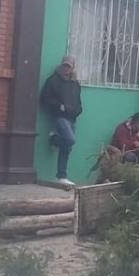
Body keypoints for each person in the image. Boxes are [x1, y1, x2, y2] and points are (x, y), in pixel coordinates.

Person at [41, 56, 82, 186]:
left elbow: (78, 102)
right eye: (64, 65)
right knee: (70, 140)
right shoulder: (53, 80)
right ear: (61, 65)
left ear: (72, 68)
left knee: (67, 147)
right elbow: (44, 98)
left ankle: (62, 176)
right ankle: (54, 139)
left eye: (69, 66)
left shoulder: (75, 84)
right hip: (59, 117)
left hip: (72, 118)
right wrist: (59, 106)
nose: (66, 68)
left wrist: (78, 111)